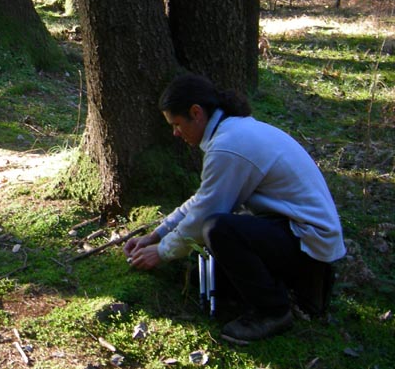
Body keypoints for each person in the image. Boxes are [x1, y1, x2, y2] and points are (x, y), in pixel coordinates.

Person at [123, 73, 345, 344]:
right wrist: (156, 235)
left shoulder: (229, 146)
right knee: (206, 274)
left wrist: (161, 252)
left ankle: (273, 311)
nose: (175, 133)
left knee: (218, 228)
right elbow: (202, 199)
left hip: (309, 244)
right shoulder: (233, 133)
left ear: (197, 112)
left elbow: (205, 213)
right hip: (294, 234)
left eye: (178, 124)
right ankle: (284, 290)